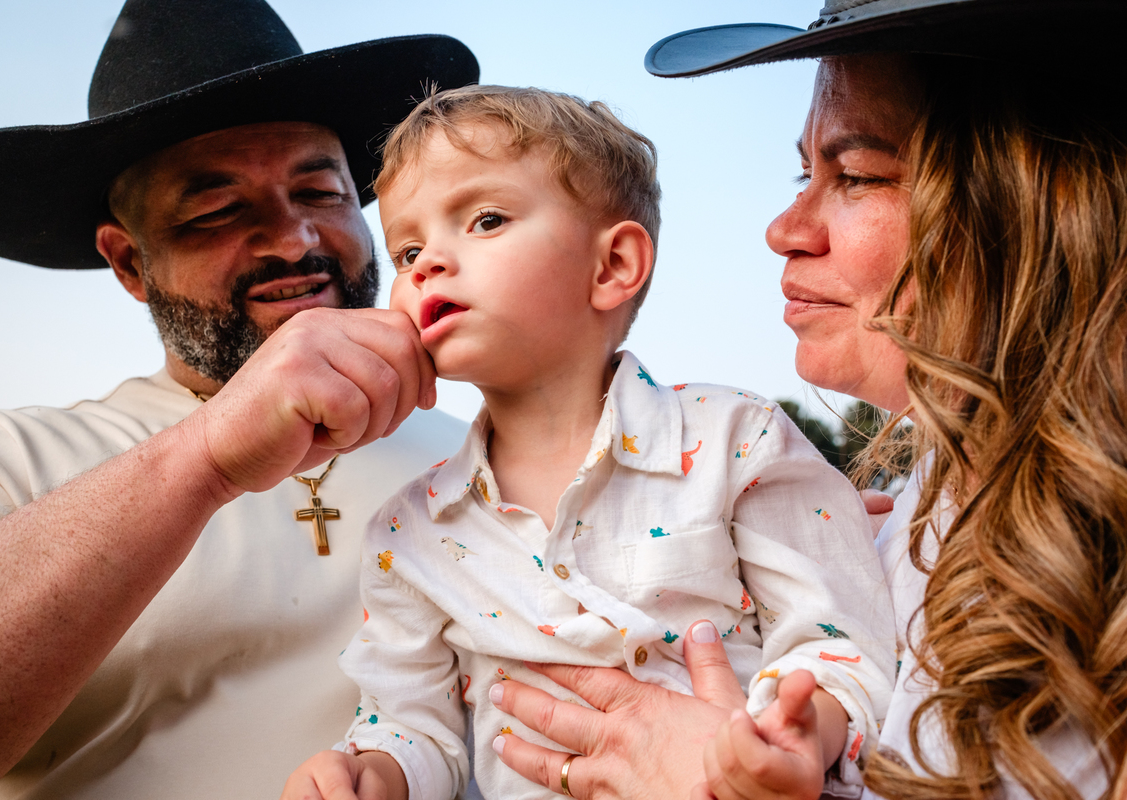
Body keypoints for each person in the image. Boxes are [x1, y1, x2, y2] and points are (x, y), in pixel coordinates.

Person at [478, 1, 1127, 799]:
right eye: (803, 174)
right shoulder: (898, 522)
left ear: (1033, 200)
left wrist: (702, 777)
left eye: (854, 174)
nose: (786, 228)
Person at [0, 1, 479, 797]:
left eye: (321, 193)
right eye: (219, 210)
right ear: (129, 264)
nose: (294, 240)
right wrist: (209, 454)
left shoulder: (487, 457)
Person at [281, 84, 895, 800]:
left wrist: (801, 734)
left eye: (484, 219)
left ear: (612, 267)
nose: (425, 265)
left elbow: (838, 640)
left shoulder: (737, 441)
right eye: (408, 246)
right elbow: (414, 726)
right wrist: (371, 774)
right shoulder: (407, 533)